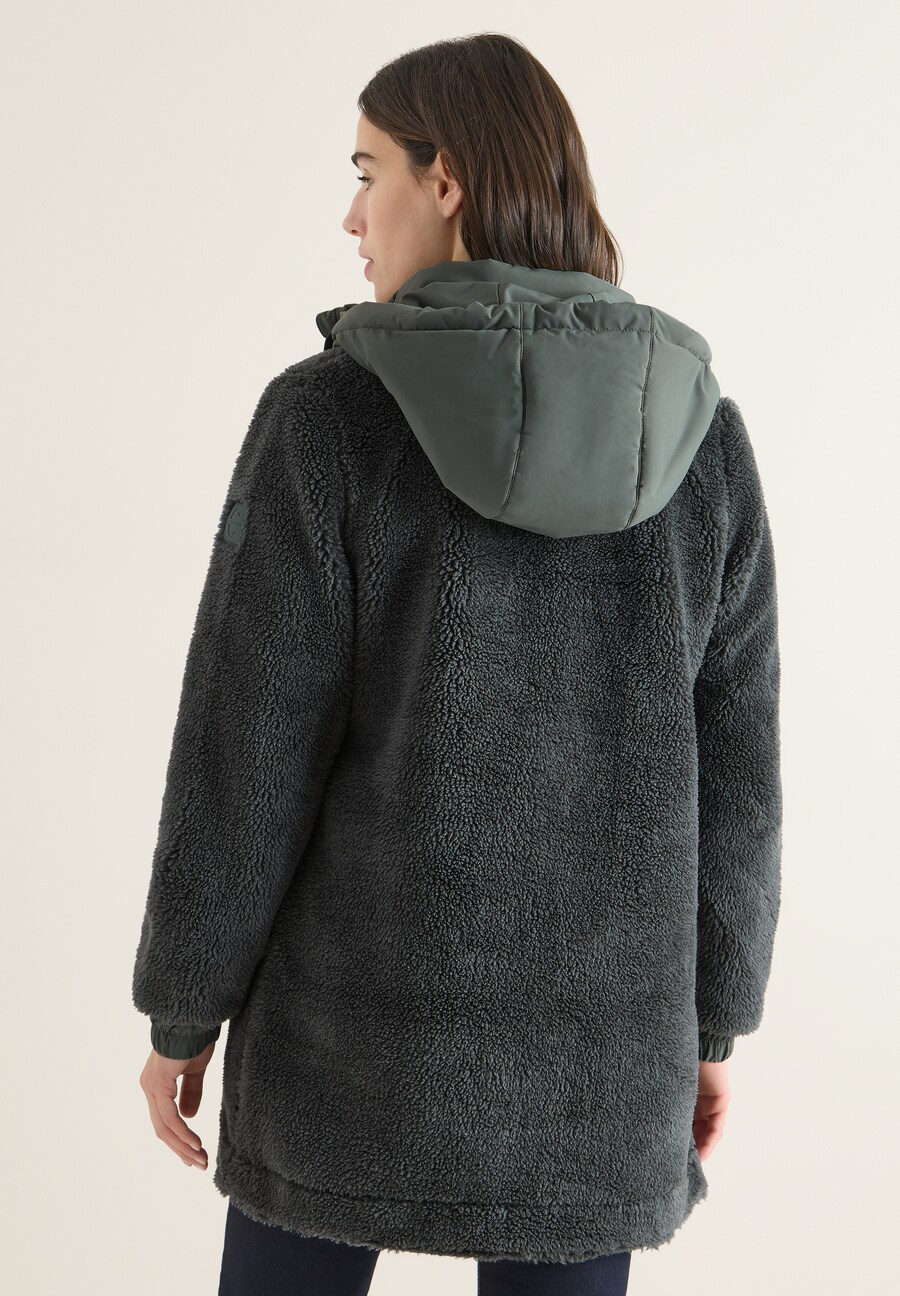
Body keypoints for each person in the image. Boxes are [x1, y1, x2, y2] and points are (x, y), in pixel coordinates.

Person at [133, 32, 782, 1296]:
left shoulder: (326, 420)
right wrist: (712, 1021)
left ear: (447, 180)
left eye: (367, 170)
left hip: (341, 1054)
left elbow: (244, 748)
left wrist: (183, 1007)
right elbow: (739, 771)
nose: (350, 215)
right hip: (601, 1068)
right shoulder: (700, 439)